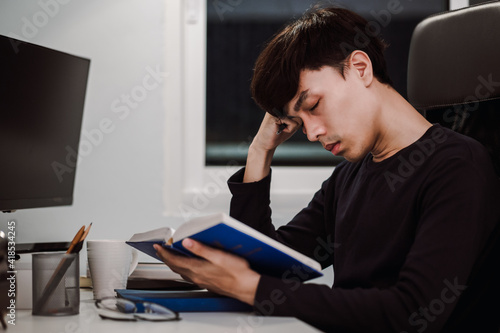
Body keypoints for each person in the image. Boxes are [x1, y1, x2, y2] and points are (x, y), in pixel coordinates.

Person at [154, 6, 500, 332]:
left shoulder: (457, 168)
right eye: (296, 121)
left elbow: (411, 315)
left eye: (313, 105)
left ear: (360, 68)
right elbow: (269, 267)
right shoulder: (347, 178)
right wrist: (260, 150)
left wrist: (250, 286)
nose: (311, 132)